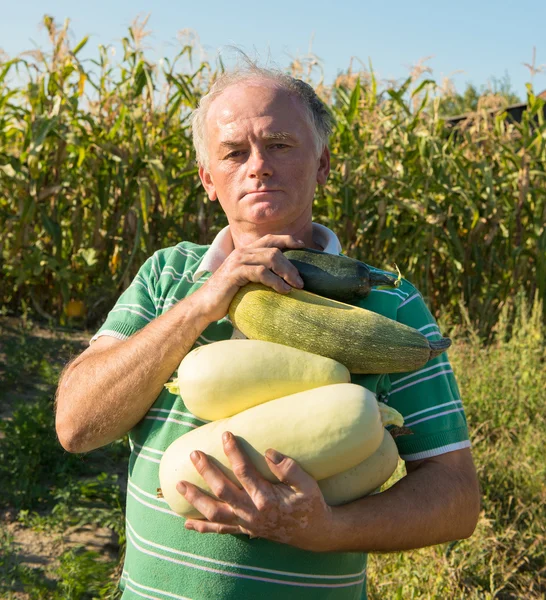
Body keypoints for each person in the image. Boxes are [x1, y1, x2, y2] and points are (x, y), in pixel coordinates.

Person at [55, 64, 480, 600]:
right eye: (234, 152)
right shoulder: (168, 277)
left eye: (280, 145)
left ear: (322, 164)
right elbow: (76, 427)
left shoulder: (390, 304)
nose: (258, 167)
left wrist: (328, 531)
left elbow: (455, 495)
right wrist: (200, 306)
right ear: (209, 180)